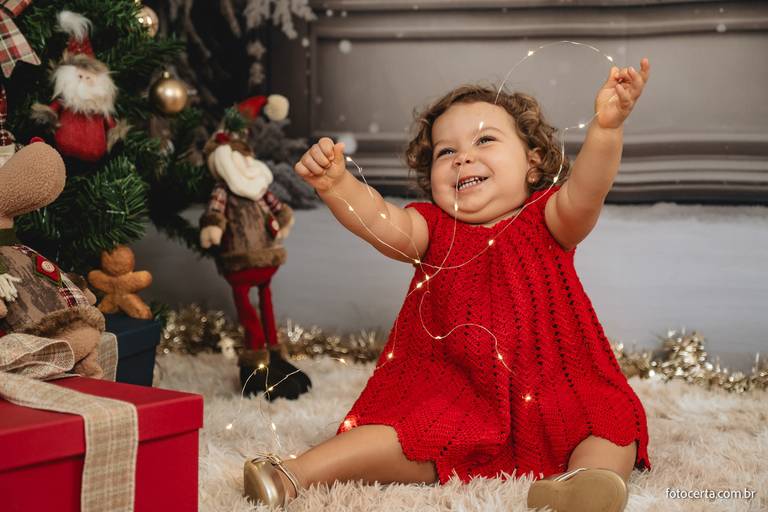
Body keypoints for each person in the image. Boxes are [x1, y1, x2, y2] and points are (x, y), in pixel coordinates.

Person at [243, 58, 652, 512]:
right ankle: (292, 474)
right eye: (445, 152)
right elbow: (380, 222)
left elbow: (589, 188)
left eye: (485, 140)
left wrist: (607, 129)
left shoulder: (550, 216)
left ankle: (584, 483)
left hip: (559, 384)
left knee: (611, 420)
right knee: (407, 434)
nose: (463, 157)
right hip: (460, 392)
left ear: (533, 163)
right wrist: (337, 184)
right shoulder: (432, 228)